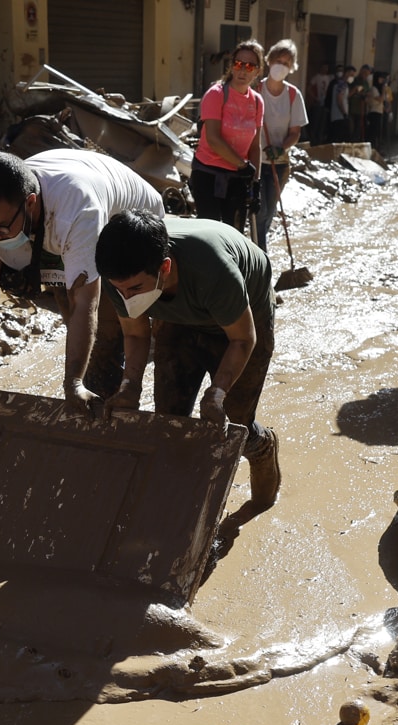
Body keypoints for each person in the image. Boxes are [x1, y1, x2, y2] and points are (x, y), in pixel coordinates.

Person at [0, 149, 162, 414]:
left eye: (1, 228)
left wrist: (72, 383)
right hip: (53, 225)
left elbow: (85, 301)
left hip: (131, 227)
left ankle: (108, 407)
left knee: (106, 330)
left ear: (30, 203)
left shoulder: (76, 210)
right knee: (68, 310)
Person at [95, 208, 281, 511]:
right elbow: (137, 335)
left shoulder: (213, 270)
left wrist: (217, 392)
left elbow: (243, 339)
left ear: (164, 267)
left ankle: (263, 448)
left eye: (135, 289)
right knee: (169, 420)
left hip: (243, 319)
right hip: (179, 318)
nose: (127, 297)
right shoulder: (120, 276)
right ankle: (176, 507)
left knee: (233, 423)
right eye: (120, 290)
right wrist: (130, 386)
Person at [190, 40, 265, 234]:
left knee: (235, 235)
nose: (243, 71)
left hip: (238, 178)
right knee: (211, 235)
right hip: (207, 174)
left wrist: (255, 183)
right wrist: (243, 165)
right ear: (232, 66)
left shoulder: (257, 102)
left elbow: (255, 146)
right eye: (238, 64)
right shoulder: (216, 95)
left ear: (257, 71)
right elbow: (214, 140)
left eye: (249, 66)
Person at [256, 40, 308, 256]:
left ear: (292, 67)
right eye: (278, 61)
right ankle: (261, 255)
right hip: (255, 162)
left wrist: (280, 148)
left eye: (287, 63)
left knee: (270, 211)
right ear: (268, 61)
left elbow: (295, 132)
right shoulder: (255, 90)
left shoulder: (293, 95)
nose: (281, 66)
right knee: (260, 211)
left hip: (279, 163)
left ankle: (260, 245)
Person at [308, 63, 333, 144]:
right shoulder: (316, 77)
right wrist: (315, 98)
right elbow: (309, 88)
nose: (325, 69)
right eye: (323, 68)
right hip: (317, 103)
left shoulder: (329, 78)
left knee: (323, 123)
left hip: (325, 103)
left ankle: (320, 139)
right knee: (316, 122)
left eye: (326, 68)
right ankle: (313, 140)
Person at [368, 71, 392, 153]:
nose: (382, 80)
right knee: (374, 132)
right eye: (380, 78)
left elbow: (385, 100)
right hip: (374, 112)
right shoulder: (374, 89)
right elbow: (380, 99)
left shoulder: (380, 89)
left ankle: (378, 149)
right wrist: (383, 90)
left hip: (380, 112)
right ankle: (372, 149)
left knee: (379, 132)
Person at [327, 66, 351, 143]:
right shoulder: (341, 84)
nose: (352, 77)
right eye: (351, 74)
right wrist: (344, 113)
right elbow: (339, 99)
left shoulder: (340, 84)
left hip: (337, 115)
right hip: (339, 116)